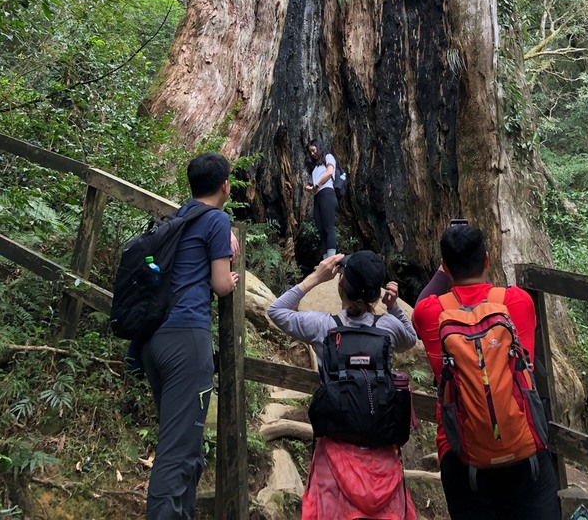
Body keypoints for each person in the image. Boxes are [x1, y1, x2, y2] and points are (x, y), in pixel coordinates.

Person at [412, 224, 560, 520]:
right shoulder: (517, 301)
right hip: (524, 447)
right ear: (488, 260)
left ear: (445, 266)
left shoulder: (430, 313)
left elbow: (419, 304)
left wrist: (445, 271)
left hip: (462, 455)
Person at [268, 251, 418, 520]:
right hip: (381, 453)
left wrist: (315, 277)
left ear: (340, 285)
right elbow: (410, 338)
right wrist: (394, 306)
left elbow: (276, 311)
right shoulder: (388, 327)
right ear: (376, 293)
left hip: (336, 450)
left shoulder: (323, 327)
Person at [141, 152, 239, 520]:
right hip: (187, 341)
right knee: (178, 453)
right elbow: (220, 285)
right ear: (225, 186)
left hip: (155, 340)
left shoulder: (177, 216)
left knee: (186, 446)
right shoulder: (216, 219)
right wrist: (229, 278)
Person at [305, 138, 338, 259]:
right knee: (322, 230)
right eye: (311, 152)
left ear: (319, 147)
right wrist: (309, 187)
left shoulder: (328, 157)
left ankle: (331, 260)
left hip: (327, 194)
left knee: (329, 228)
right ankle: (325, 261)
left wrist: (317, 184)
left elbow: (329, 172)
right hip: (318, 197)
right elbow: (314, 185)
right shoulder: (315, 168)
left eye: (314, 150)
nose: (313, 154)